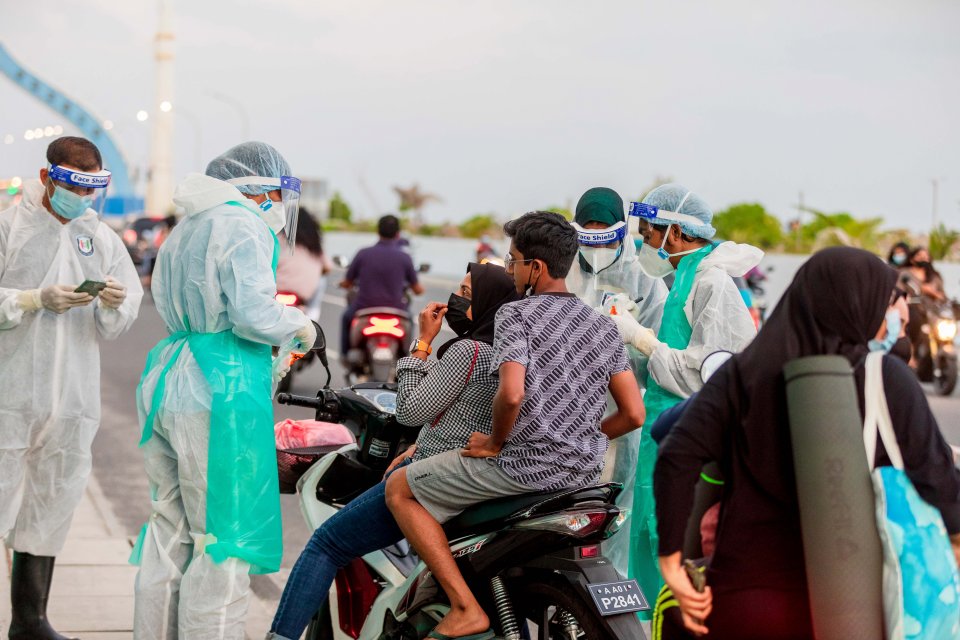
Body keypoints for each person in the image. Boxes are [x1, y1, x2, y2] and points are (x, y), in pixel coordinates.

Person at [654, 247, 960, 639]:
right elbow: (937, 479)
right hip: (846, 606)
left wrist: (671, 560)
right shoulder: (884, 378)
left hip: (742, 600)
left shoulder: (744, 373)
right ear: (853, 306)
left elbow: (676, 455)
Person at [385, 211, 646, 639]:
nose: (511, 271)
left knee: (399, 488)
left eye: (514, 261)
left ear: (535, 268)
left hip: (519, 469)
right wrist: (583, 438)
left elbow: (510, 393)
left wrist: (493, 442)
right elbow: (633, 414)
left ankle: (465, 606)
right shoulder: (603, 325)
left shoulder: (517, 316)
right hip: (582, 476)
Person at [266, 262, 520, 640]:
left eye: (467, 294)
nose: (455, 299)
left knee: (327, 544)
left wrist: (422, 344)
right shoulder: (511, 353)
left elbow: (410, 410)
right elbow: (468, 418)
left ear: (488, 303)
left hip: (435, 479)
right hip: (480, 477)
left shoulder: (467, 352)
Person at [132, 141, 317, 639]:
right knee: (223, 539)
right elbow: (253, 313)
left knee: (170, 532)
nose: (279, 208)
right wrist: (301, 325)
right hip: (220, 389)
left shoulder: (187, 227)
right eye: (276, 194)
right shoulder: (241, 225)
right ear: (256, 189)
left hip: (172, 379)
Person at [0, 136, 142, 640]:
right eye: (73, 186)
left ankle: (29, 622)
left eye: (91, 188)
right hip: (9, 400)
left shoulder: (99, 237)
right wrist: (32, 300)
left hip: (71, 402)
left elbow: (123, 313)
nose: (81, 199)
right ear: (46, 178)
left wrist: (113, 303)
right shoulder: (9, 226)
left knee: (50, 504)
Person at [606, 183, 762, 606]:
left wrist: (642, 339)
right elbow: (663, 370)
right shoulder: (683, 281)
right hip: (661, 431)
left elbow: (709, 374)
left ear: (674, 232)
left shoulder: (712, 284)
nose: (645, 243)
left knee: (672, 541)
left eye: (649, 233)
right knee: (649, 538)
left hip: (688, 436)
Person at [565, 186, 668, 576]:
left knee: (614, 504)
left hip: (619, 412)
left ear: (622, 233)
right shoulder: (563, 265)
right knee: (563, 502)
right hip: (565, 405)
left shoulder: (645, 279)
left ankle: (611, 585)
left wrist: (628, 342)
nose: (596, 247)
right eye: (587, 237)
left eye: (605, 237)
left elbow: (658, 354)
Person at [339, 214, 425, 353]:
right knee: (410, 321)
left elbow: (348, 282)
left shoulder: (363, 253)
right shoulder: (405, 257)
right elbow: (418, 289)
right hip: (397, 309)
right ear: (398, 234)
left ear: (378, 232)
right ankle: (406, 358)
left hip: (363, 308)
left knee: (345, 318)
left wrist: (343, 284)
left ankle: (344, 355)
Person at [275, 207, 330, 322]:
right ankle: (313, 316)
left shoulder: (278, 240)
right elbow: (327, 268)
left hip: (276, 294)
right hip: (301, 298)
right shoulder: (314, 247)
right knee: (322, 279)